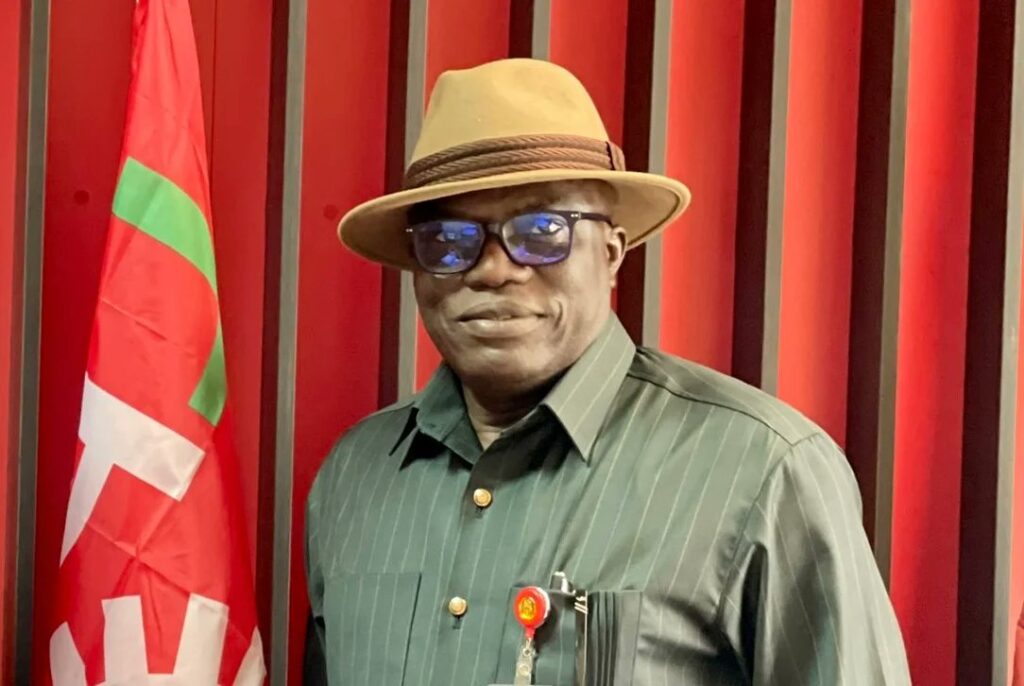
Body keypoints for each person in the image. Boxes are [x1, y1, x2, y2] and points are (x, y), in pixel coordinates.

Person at [304, 58, 911, 685]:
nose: (493, 269)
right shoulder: (354, 477)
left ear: (612, 253)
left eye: (543, 231)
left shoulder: (766, 473)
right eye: (448, 240)